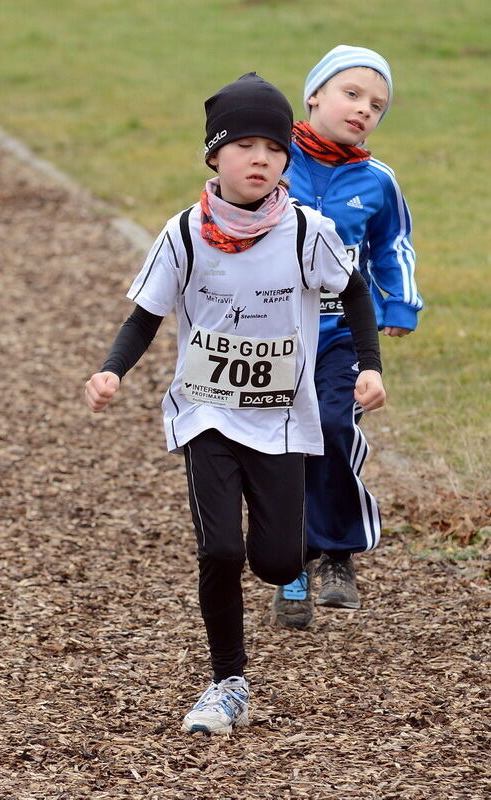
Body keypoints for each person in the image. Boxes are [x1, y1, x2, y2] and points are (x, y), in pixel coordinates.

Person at [85, 72, 386, 735]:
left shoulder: (306, 231)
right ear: (214, 155)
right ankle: (228, 683)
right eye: (245, 145)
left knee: (275, 561)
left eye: (274, 149)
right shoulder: (183, 234)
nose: (261, 159)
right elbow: (145, 317)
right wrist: (111, 372)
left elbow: (354, 291)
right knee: (219, 550)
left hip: (281, 420)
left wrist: (369, 364)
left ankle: (295, 553)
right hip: (208, 412)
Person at [272, 45, 423, 629]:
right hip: (272, 334)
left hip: (341, 335)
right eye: (352, 94)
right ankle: (290, 564)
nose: (364, 109)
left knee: (334, 428)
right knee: (281, 447)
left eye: (377, 105)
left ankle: (337, 552)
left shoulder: (378, 181)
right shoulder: (272, 159)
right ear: (314, 95)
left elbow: (393, 245)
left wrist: (399, 304)